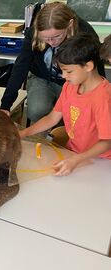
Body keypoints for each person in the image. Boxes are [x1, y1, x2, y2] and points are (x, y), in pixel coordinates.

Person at [19, 33, 111, 176]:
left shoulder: (104, 97)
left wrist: (77, 160)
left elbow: (107, 142)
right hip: (73, 154)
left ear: (88, 66)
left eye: (68, 71)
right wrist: (23, 133)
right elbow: (52, 118)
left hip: (100, 162)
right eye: (62, 71)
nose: (63, 76)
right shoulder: (70, 86)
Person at [0, 2, 105, 124]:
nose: (51, 42)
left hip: (73, 81)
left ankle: (59, 135)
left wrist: (100, 98)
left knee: (72, 116)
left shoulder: (85, 33)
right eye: (45, 38)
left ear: (69, 25)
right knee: (37, 109)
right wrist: (5, 105)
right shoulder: (34, 31)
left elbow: (97, 68)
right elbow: (21, 66)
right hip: (41, 77)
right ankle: (41, 137)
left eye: (56, 36)